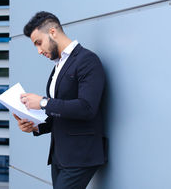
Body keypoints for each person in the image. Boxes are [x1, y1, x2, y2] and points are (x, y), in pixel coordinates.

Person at [13, 11, 107, 189]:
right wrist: (36, 126)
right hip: (59, 156)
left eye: (38, 43)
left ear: (53, 32)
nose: (39, 51)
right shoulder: (58, 67)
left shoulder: (87, 60)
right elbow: (60, 112)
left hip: (80, 156)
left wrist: (42, 102)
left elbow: (87, 108)